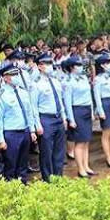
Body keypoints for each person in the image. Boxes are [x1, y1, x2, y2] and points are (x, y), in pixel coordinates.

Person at [0, 63, 38, 183]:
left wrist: (32, 130)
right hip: (11, 133)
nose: (16, 76)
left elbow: (29, 112)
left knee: (23, 163)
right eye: (13, 74)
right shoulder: (0, 95)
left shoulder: (23, 92)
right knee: (10, 165)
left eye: (17, 73)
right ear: (6, 77)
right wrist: (1, 139)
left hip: (25, 131)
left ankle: (22, 185)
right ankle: (10, 189)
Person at [30, 53, 67, 182]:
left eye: (50, 63)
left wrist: (64, 116)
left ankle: (58, 177)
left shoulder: (55, 81)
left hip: (58, 118)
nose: (50, 66)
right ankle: (47, 179)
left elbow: (60, 101)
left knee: (59, 151)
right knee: (46, 152)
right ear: (40, 66)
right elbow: (33, 106)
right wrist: (37, 125)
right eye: (46, 64)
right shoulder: (36, 84)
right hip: (45, 119)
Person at [62, 57, 96, 178]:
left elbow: (89, 96)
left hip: (86, 109)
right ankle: (80, 169)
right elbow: (67, 102)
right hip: (77, 111)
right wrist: (71, 119)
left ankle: (86, 166)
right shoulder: (68, 81)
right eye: (78, 65)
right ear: (72, 67)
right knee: (79, 142)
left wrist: (91, 112)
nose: (80, 67)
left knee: (86, 141)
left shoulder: (83, 78)